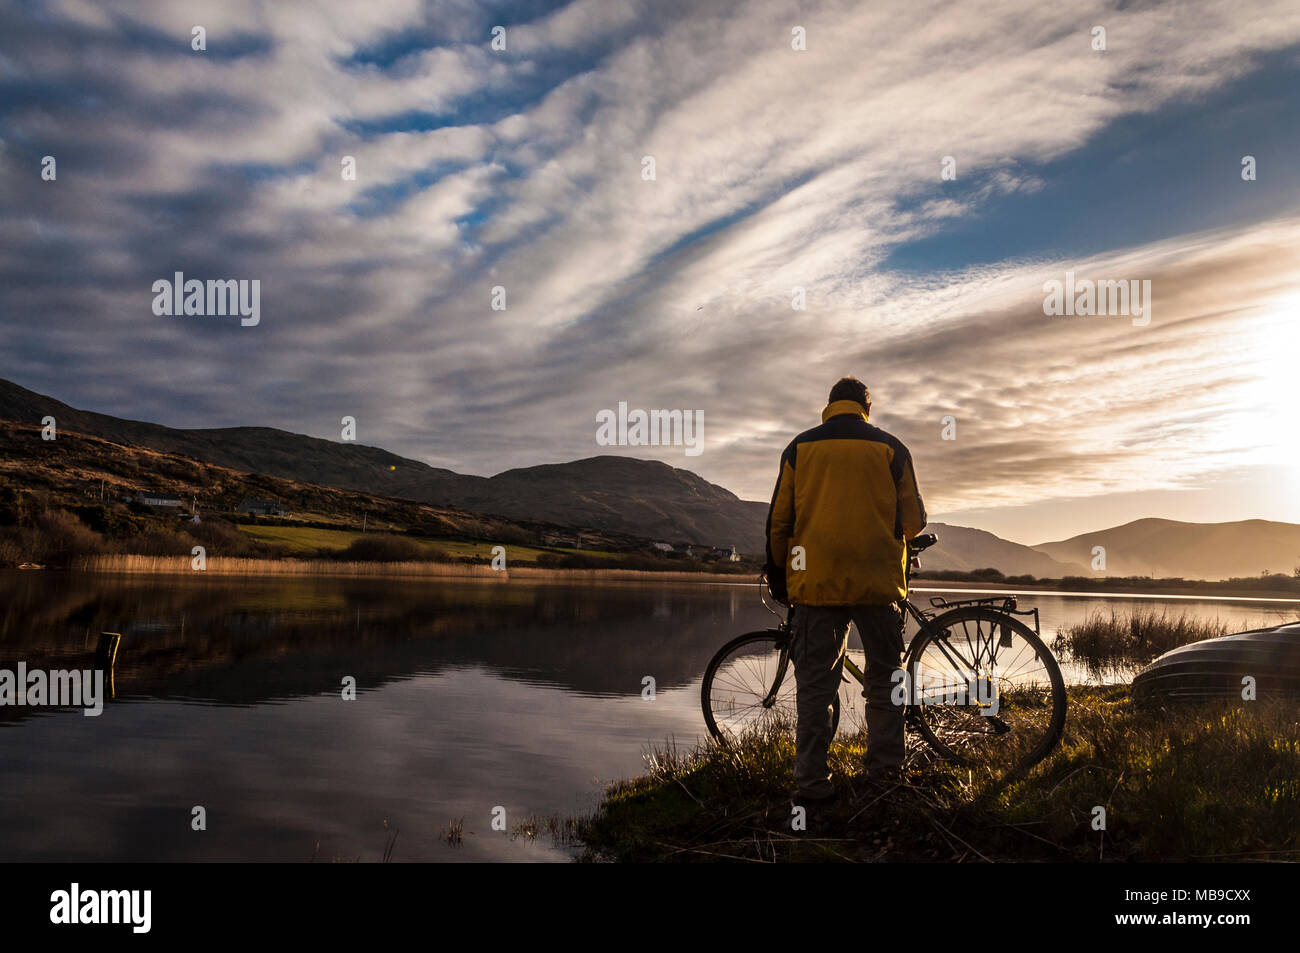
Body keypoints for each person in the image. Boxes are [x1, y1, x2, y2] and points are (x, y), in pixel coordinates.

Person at [763, 376, 927, 804]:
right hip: (879, 584)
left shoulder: (800, 448)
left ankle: (813, 785)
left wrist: (780, 575)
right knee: (887, 680)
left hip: (816, 585)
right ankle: (885, 774)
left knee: (816, 687)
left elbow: (780, 522)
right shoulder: (892, 448)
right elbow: (915, 520)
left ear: (829, 405)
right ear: (866, 408)